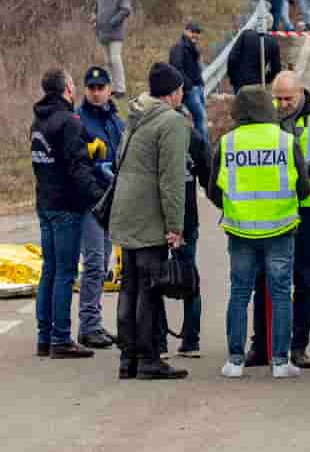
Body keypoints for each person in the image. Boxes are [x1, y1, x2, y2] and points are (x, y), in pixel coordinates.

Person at [206, 85, 310, 379]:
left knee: (239, 294)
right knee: (281, 294)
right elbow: (303, 188)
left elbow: (214, 190)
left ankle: (234, 362)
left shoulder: (227, 143)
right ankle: (280, 362)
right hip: (280, 229)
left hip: (240, 230)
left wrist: (235, 207)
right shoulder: (286, 141)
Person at [247, 71, 310, 370]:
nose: (282, 104)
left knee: (302, 278)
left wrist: (297, 172)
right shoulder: (267, 115)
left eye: (288, 98)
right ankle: (261, 345)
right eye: (277, 98)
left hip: (308, 209)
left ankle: (298, 346)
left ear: (301, 93)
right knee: (264, 277)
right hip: (272, 208)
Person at [108, 62, 190, 381]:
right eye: (181, 90)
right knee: (149, 289)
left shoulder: (136, 113)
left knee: (129, 286)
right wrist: (175, 226)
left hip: (125, 210)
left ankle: (127, 358)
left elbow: (119, 159)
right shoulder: (171, 122)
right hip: (148, 215)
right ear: (173, 93)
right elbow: (172, 180)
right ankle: (148, 358)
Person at [30, 67, 102, 360]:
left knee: (49, 270)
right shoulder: (69, 122)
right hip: (66, 207)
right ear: (67, 89)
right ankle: (61, 338)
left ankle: (44, 338)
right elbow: (77, 168)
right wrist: (99, 197)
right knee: (64, 273)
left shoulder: (38, 122)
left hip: (45, 204)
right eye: (72, 85)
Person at [158, 103, 212, 360]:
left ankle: (160, 341)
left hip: (160, 220)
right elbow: (209, 178)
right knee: (189, 278)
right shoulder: (195, 139)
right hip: (185, 220)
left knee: (154, 279)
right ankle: (190, 341)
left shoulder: (156, 139)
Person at [76, 67, 124, 350]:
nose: (96, 93)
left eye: (101, 87)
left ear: (109, 89)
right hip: (90, 201)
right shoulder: (79, 120)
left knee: (103, 262)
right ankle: (88, 326)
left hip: (111, 200)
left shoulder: (116, 121)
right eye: (92, 88)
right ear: (85, 90)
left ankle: (94, 322)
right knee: (94, 263)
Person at [94, 0, 134, 97]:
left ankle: (121, 89)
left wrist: (113, 21)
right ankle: (111, 88)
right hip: (102, 33)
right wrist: (94, 18)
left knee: (115, 59)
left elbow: (126, 10)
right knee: (107, 61)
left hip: (116, 33)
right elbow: (96, 10)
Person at [169, 22, 207, 141]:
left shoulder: (193, 48)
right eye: (192, 32)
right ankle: (204, 146)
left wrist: (200, 83)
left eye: (197, 32)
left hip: (197, 88)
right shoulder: (178, 48)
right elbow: (176, 68)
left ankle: (201, 145)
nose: (195, 34)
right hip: (189, 90)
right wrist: (188, 86)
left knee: (200, 118)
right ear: (185, 31)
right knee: (201, 118)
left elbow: (196, 68)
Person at [227, 19, 282, 93]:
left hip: (240, 81)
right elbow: (276, 69)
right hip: (257, 82)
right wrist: (265, 79)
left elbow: (232, 58)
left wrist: (233, 77)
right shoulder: (273, 43)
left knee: (240, 100)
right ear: (270, 26)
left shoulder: (245, 35)